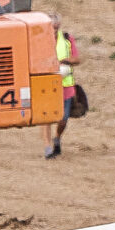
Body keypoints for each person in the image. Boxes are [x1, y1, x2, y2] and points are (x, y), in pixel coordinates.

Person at [45, 26, 80, 159]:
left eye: (55, 27)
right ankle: (47, 148)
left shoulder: (66, 39)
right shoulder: (40, 40)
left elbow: (77, 59)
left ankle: (57, 138)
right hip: (46, 85)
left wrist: (63, 62)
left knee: (63, 118)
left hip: (66, 86)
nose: (53, 30)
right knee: (46, 118)